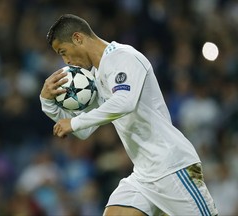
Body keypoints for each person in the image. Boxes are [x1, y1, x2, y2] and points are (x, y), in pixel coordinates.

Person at [40, 14, 218, 216]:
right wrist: (47, 102)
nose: (66, 61)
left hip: (171, 166)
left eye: (63, 52)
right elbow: (85, 130)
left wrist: (74, 122)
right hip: (143, 175)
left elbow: (125, 102)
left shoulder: (122, 57)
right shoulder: (98, 75)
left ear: (78, 38)